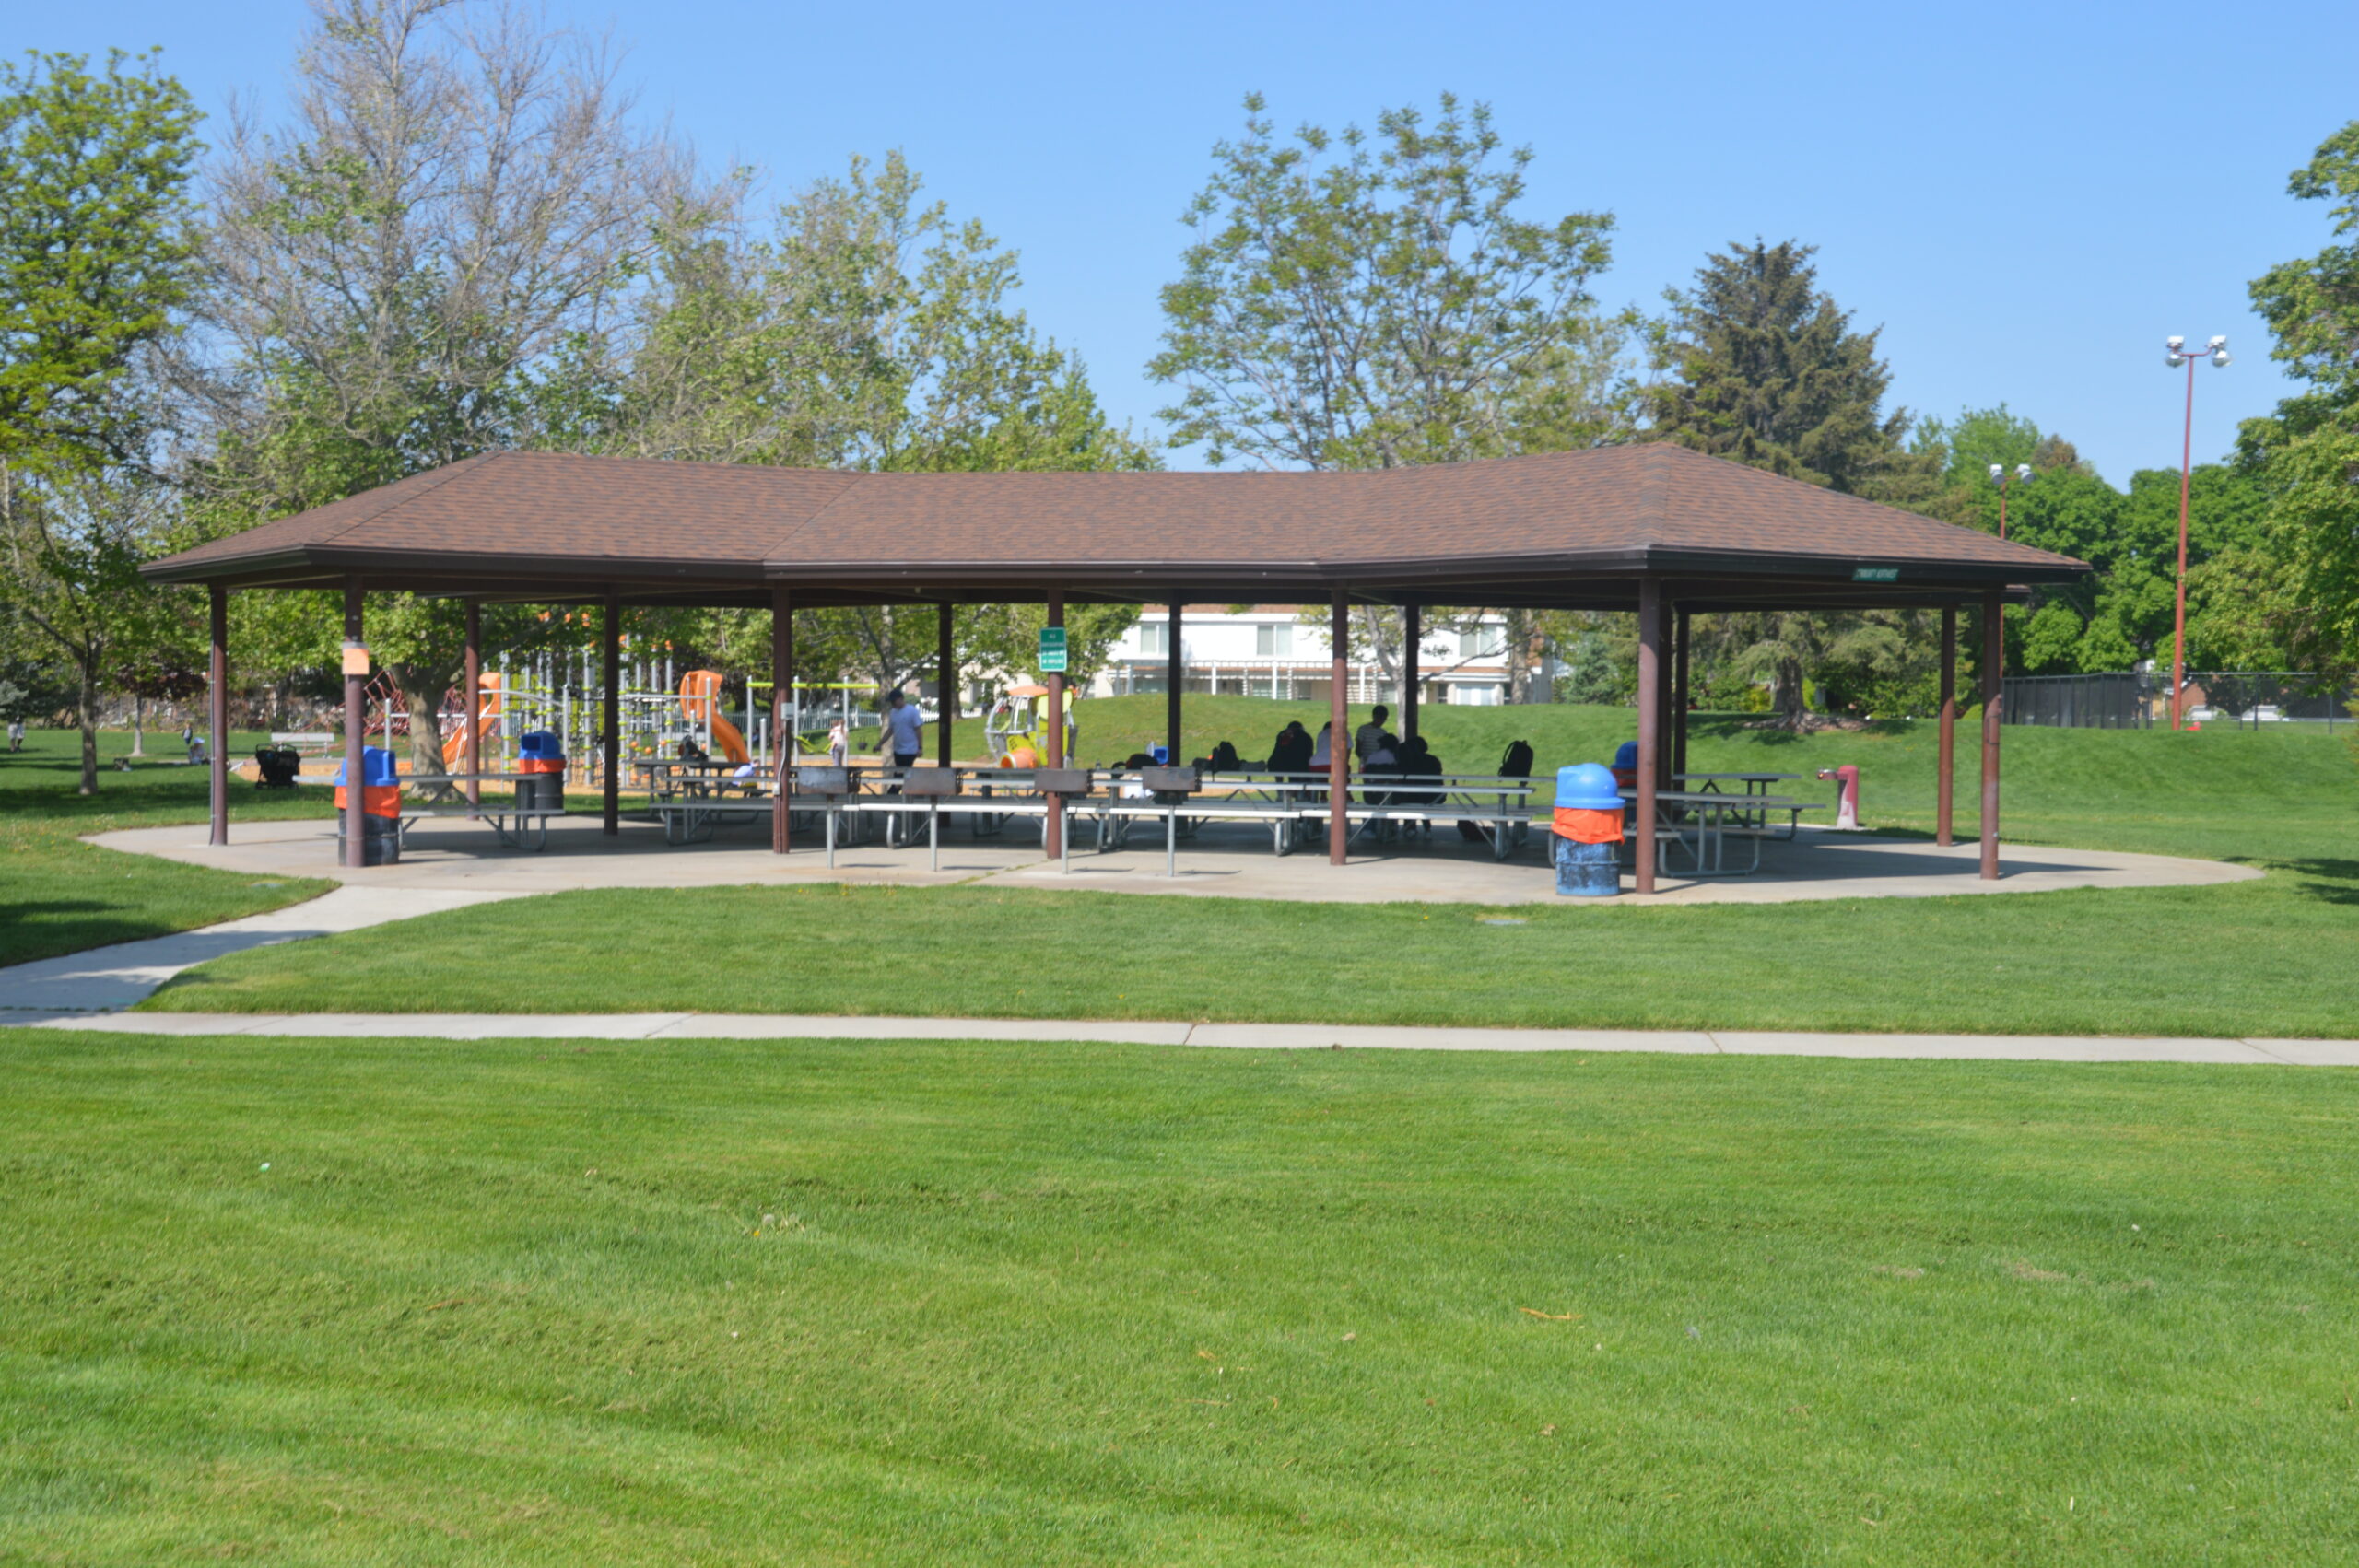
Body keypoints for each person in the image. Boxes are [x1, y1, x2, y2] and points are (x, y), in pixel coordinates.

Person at [883, 688, 924, 770]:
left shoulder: (912, 711)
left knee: (904, 772)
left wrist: (920, 747)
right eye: (891, 702)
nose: (892, 704)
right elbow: (890, 730)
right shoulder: (893, 712)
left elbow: (918, 730)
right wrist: (880, 743)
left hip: (909, 750)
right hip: (897, 750)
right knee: (900, 771)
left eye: (894, 701)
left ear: (901, 699)